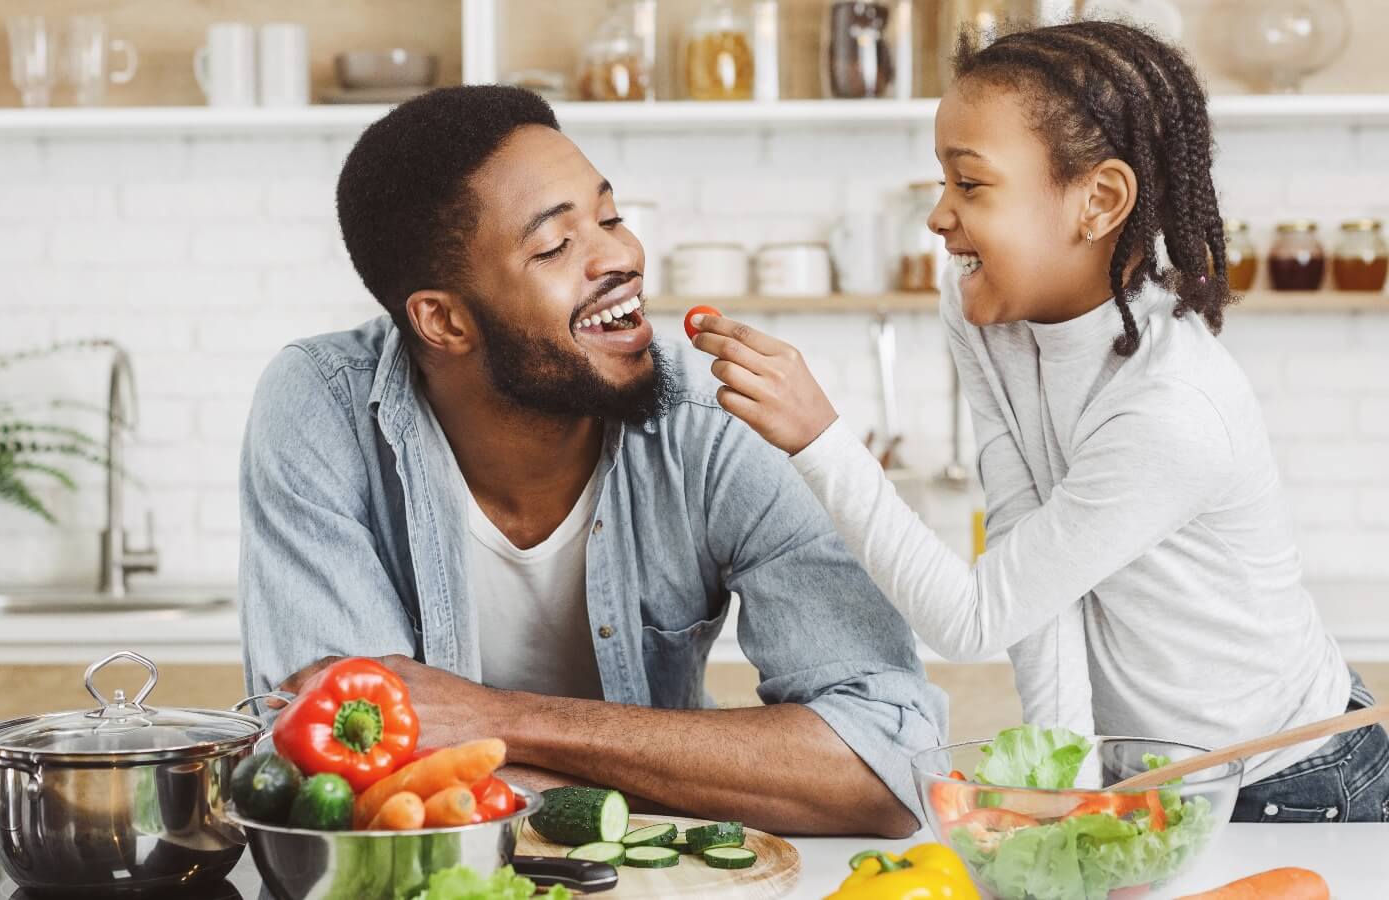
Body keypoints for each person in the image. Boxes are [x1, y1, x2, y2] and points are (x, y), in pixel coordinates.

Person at [689, 20, 1388, 822]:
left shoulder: (1171, 407)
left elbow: (973, 618)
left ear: (1097, 201)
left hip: (1291, 779)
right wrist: (1069, 785)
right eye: (941, 182)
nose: (939, 217)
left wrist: (819, 439)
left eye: (972, 184)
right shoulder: (987, 313)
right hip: (1156, 784)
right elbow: (1030, 570)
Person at [237, 85, 946, 836]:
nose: (621, 256)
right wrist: (709, 777)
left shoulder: (719, 422)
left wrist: (495, 720)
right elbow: (343, 777)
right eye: (554, 246)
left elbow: (888, 769)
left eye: (609, 217)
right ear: (443, 319)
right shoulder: (322, 406)